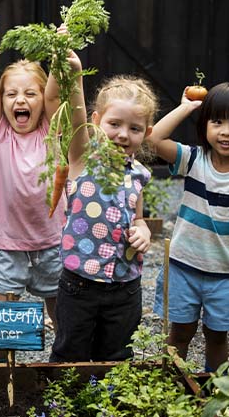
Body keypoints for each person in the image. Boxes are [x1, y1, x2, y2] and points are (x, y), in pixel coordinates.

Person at [0, 6, 66, 363]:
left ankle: (65, 369)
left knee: (63, 316)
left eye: (30, 94)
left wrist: (58, 55)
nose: (19, 101)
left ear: (43, 100)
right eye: (13, 95)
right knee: (3, 329)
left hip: (52, 242)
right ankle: (2, 376)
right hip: (9, 245)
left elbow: (58, 94)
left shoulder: (52, 130)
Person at [49, 72, 157, 362]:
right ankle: (64, 404)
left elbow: (138, 218)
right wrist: (75, 76)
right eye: (114, 124)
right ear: (96, 121)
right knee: (71, 354)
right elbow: (74, 114)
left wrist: (143, 231)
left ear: (146, 133)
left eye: (134, 128)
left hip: (125, 287)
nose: (123, 134)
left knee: (117, 356)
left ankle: (105, 405)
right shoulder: (83, 158)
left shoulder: (139, 175)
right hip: (80, 284)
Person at [149, 82, 229, 372]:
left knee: (218, 337)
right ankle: (172, 387)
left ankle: (215, 393)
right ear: (204, 123)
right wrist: (186, 107)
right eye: (217, 121)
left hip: (224, 275)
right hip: (184, 266)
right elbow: (153, 140)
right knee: (180, 332)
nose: (225, 131)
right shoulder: (194, 160)